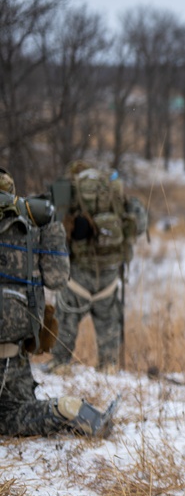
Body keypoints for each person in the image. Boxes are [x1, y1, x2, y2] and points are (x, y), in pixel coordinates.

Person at [0, 166, 117, 436]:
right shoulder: (32, 223)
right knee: (13, 415)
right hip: (14, 360)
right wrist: (51, 228)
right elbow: (57, 279)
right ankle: (63, 409)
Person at [47, 161, 148, 372]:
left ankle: (59, 362)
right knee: (109, 321)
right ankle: (109, 365)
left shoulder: (72, 192)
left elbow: (55, 228)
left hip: (78, 276)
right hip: (109, 276)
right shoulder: (112, 192)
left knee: (66, 318)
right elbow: (137, 225)